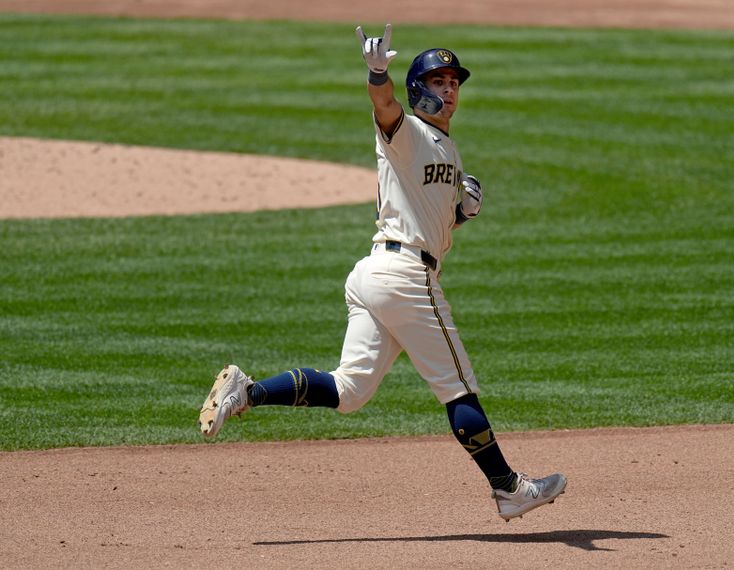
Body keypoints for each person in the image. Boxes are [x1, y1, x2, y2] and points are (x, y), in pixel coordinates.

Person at [198, 23, 567, 522]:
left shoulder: (444, 147)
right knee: (457, 387)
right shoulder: (408, 132)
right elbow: (385, 107)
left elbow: (425, 217)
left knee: (348, 392)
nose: (450, 87)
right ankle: (508, 488)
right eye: (438, 81)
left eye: (454, 80)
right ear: (419, 90)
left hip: (377, 273)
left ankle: (249, 391)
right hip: (405, 277)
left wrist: (462, 214)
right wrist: (378, 74)